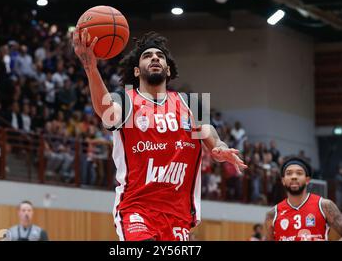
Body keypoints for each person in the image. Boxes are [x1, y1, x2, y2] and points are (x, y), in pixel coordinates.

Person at [73, 29, 247, 241]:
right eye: (147, 56)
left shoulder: (191, 104)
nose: (155, 57)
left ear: (168, 70)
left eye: (160, 56)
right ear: (137, 71)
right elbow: (105, 111)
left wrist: (220, 149)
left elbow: (212, 138)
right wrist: (91, 68)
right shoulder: (125, 99)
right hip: (136, 208)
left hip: (178, 213)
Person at [265, 157, 342, 241]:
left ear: (307, 180)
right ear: (283, 181)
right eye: (289, 173)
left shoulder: (324, 205)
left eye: (299, 173)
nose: (294, 176)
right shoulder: (272, 214)